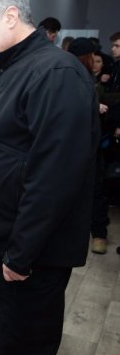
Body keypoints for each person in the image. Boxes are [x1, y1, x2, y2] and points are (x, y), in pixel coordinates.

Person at [0, 0, 99, 355]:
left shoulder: (56, 74)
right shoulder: (9, 70)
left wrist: (20, 255)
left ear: (10, 15)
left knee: (25, 348)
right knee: (1, 341)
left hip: (27, 259)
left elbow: (55, 178)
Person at [68, 37, 110, 254]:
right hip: (81, 146)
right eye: (93, 56)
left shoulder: (89, 78)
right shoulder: (76, 77)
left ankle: (98, 234)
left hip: (86, 146)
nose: (97, 60)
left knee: (94, 189)